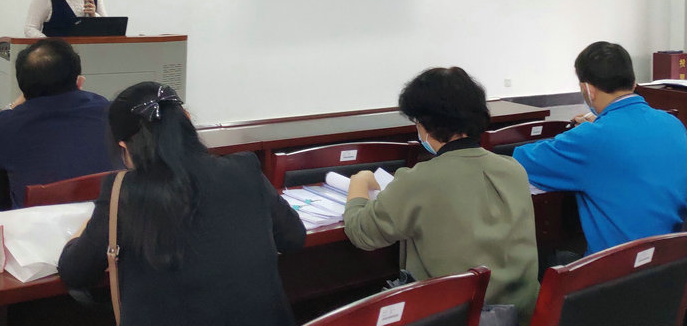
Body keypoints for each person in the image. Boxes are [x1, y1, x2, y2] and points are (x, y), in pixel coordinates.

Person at [58, 82, 306, 326]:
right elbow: (294, 237)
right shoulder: (244, 168)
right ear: (187, 120)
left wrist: (85, 229)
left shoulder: (123, 190)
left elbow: (76, 272)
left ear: (123, 144)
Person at [344, 67, 539, 324]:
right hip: (524, 314)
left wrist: (359, 183)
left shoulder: (419, 179)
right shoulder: (513, 169)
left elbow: (361, 232)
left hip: (457, 316)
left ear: (425, 124)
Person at [514, 41, 687, 256]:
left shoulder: (591, 138)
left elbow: (520, 162)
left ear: (588, 89)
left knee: (545, 258)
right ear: (633, 82)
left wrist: (585, 133)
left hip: (613, 270)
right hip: (669, 263)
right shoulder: (674, 125)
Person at [0, 39, 117, 208]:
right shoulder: (109, 111)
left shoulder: (8, 124)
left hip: (37, 223)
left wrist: (12, 106)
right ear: (77, 79)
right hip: (106, 219)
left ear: (22, 85)